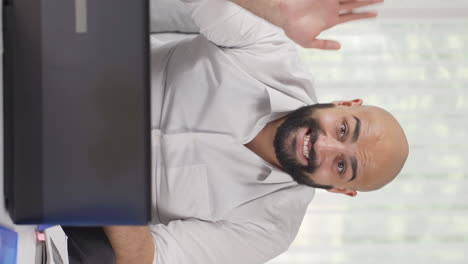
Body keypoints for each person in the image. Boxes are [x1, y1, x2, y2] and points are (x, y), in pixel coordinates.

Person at [103, 0, 409, 263]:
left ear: (340, 189)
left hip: (77, 189)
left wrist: (100, 176)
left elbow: (149, 257)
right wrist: (274, 9)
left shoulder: (270, 230)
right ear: (343, 104)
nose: (324, 147)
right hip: (78, 70)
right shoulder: (274, 54)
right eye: (343, 130)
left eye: (342, 166)